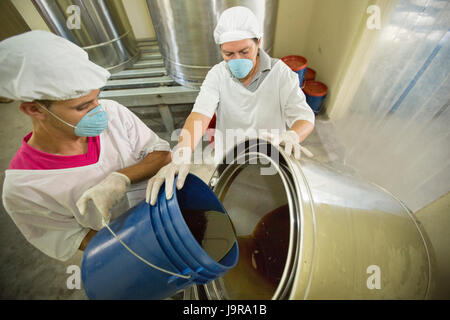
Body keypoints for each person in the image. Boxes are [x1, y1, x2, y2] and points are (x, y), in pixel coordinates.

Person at [0, 30, 171, 261]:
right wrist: (137, 248)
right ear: (35, 109)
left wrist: (121, 177)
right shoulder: (24, 187)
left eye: (97, 98)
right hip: (130, 251)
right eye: (83, 106)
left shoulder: (113, 113)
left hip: (168, 215)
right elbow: (70, 236)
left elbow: (160, 154)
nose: (99, 110)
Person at [146, 6, 315, 205]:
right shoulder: (217, 75)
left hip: (270, 157)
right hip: (229, 158)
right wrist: (182, 152)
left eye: (244, 51)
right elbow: (199, 115)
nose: (237, 60)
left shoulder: (281, 74)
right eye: (228, 54)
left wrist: (292, 134)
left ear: (259, 42)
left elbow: (304, 117)